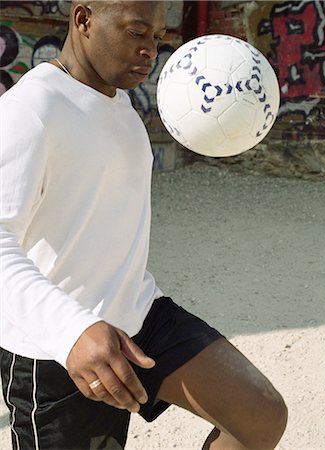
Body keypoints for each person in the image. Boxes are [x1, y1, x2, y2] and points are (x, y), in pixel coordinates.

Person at [0, 1, 288, 449]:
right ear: (83, 20)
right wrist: (71, 330)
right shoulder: (31, 108)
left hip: (140, 316)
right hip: (55, 351)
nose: (150, 50)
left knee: (260, 415)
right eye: (137, 32)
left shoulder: (121, 107)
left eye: (157, 37)